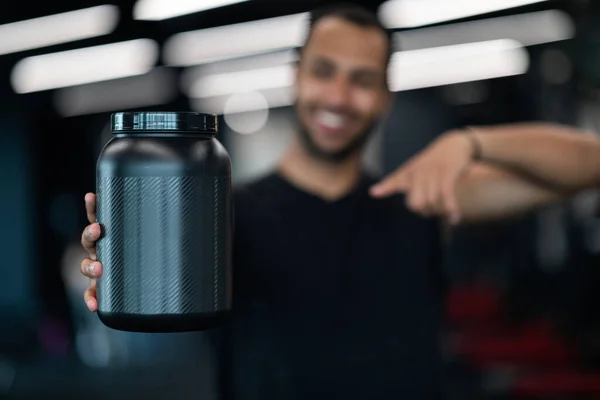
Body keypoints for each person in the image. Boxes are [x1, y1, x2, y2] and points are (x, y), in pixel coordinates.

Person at [78, 3, 600, 399]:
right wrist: (122, 257)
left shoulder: (421, 199)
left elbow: (590, 164)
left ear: (385, 96)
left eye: (363, 79)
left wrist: (471, 142)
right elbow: (152, 273)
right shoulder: (220, 216)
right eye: (325, 71)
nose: (338, 96)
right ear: (297, 76)